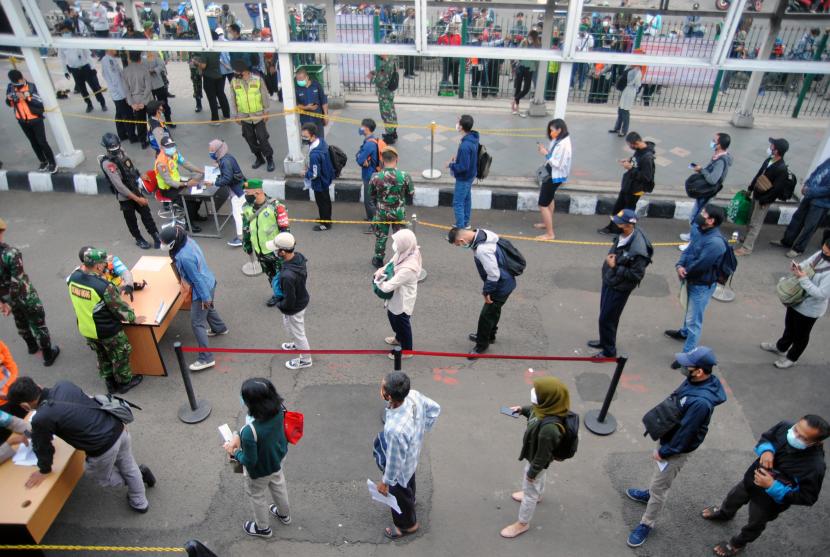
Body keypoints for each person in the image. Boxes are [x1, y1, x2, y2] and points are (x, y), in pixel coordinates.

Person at [625, 347, 727, 547]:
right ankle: (649, 494)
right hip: (669, 436)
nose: (683, 367)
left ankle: (647, 523)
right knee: (657, 481)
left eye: (686, 365)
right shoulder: (696, 380)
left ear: (698, 371)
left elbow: (686, 435)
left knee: (660, 487)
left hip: (674, 449)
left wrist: (664, 452)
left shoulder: (701, 403)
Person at [8, 377, 155, 512]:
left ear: (25, 405)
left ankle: (140, 478)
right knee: (128, 465)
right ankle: (139, 501)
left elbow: (43, 448)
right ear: (37, 385)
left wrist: (44, 470)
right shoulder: (63, 385)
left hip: (102, 447)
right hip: (118, 427)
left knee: (99, 476)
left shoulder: (41, 418)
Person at [702, 415, 827, 557]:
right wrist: (766, 450)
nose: (794, 436)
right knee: (733, 497)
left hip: (769, 502)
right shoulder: (785, 426)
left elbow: (808, 497)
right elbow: (767, 438)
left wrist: (772, 486)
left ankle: (738, 544)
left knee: (755, 523)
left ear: (816, 442)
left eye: (803, 437)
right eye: (796, 429)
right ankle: (724, 513)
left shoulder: (815, 467)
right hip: (750, 480)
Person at [500, 376, 569, 539]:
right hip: (535, 458)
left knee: (530, 490)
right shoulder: (548, 407)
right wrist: (521, 410)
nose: (535, 401)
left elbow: (542, 456)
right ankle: (537, 494)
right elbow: (533, 410)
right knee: (538, 481)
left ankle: (522, 523)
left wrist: (532, 473)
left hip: (536, 461)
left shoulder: (549, 430)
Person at [68, 248, 143, 393]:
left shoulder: (73, 278)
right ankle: (124, 383)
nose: (105, 265)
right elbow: (119, 309)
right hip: (107, 330)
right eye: (103, 263)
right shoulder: (103, 286)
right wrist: (134, 318)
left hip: (86, 328)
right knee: (120, 354)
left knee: (102, 355)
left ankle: (110, 383)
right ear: (97, 266)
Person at [223, 377, 291, 538]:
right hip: (277, 460)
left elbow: (249, 461)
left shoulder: (250, 431)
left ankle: (262, 528)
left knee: (257, 495)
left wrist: (234, 451)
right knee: (279, 486)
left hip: (259, 471)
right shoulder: (280, 410)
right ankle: (284, 514)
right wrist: (240, 435)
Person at [376, 372, 440, 539]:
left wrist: (385, 482)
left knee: (399, 491)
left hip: (402, 466)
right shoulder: (413, 395)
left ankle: (407, 526)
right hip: (413, 454)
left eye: (382, 386)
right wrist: (421, 428)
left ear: (388, 395)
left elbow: (394, 463)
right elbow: (434, 408)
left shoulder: (395, 430)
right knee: (409, 482)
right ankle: (410, 501)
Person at [160, 225, 227, 371]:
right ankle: (219, 328)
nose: (163, 245)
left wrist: (205, 298)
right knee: (207, 309)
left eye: (165, 243)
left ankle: (206, 358)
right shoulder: (187, 241)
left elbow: (196, 280)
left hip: (201, 289)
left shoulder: (184, 258)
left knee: (197, 323)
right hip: (209, 281)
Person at [665, 205, 728, 358]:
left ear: (711, 220)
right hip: (691, 280)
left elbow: (702, 264)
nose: (700, 215)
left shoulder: (715, 243)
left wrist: (685, 272)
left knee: (694, 321)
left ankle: (687, 355)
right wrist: (680, 265)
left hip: (701, 286)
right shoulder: (700, 231)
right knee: (689, 311)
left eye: (703, 213)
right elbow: (689, 250)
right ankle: (684, 332)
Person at [588, 209, 652, 358]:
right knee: (605, 314)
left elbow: (636, 275)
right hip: (611, 280)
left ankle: (609, 351)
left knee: (607, 318)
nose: (613, 225)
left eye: (617, 223)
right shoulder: (624, 235)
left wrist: (614, 267)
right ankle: (605, 341)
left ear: (627, 226)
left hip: (619, 287)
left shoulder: (638, 249)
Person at [448, 227, 517, 357]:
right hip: (507, 279)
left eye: (458, 245)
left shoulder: (482, 250)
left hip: (500, 285)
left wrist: (487, 292)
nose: (460, 246)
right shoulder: (482, 233)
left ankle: (481, 345)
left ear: (462, 240)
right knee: (494, 311)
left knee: (486, 315)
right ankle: (490, 336)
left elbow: (493, 274)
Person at [761, 238, 830, 369]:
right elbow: (807, 263)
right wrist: (798, 267)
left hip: (810, 309)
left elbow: (821, 294)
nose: (823, 254)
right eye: (823, 250)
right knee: (790, 326)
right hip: (797, 299)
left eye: (827, 253)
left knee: (801, 335)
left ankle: (792, 358)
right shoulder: (821, 254)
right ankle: (781, 347)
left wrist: (803, 278)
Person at [0, 218, 60, 366]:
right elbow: (17, 281)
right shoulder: (11, 253)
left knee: (20, 320)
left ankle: (32, 347)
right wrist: (9, 301)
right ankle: (48, 356)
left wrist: (4, 302)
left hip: (7, 298)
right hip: (24, 295)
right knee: (39, 323)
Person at [99, 133, 161, 249]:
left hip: (135, 188)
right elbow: (119, 186)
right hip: (125, 196)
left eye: (117, 146)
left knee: (146, 214)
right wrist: (138, 199)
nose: (116, 149)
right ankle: (138, 238)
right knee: (131, 219)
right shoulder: (108, 164)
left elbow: (130, 167)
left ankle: (155, 236)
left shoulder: (122, 152)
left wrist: (140, 174)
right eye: (112, 148)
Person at [736, 138, 791, 256]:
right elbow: (759, 174)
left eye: (772, 145)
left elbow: (776, 189)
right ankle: (746, 238)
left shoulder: (781, 169)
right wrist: (750, 188)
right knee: (750, 219)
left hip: (764, 200)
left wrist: (764, 201)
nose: (770, 146)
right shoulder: (769, 160)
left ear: (776, 151)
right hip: (757, 194)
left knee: (756, 223)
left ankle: (747, 248)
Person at [265, 232, 312, 370]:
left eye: (276, 249)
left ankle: (305, 359)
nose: (274, 251)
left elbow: (290, 300)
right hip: (301, 299)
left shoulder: (287, 276)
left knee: (298, 333)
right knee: (290, 326)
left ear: (283, 252)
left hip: (294, 307)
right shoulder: (298, 258)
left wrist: (280, 304)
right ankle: (297, 344)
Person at [678, 133, 732, 250]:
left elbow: (713, 180)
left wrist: (702, 170)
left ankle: (692, 243)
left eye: (714, 140)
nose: (712, 142)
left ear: (720, 144)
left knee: (697, 217)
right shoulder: (717, 156)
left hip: (707, 193)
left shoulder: (721, 161)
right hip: (705, 191)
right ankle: (691, 236)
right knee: (695, 215)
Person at [242, 179, 290, 306]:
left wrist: (284, 250)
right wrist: (246, 244)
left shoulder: (276, 207)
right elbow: (246, 226)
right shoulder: (247, 207)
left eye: (247, 192)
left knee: (282, 276)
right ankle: (278, 295)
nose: (245, 195)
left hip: (276, 251)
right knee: (271, 276)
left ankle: (288, 296)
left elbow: (285, 231)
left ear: (258, 191)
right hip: (260, 251)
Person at [374, 229, 421, 359]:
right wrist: (381, 270)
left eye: (397, 242)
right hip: (396, 295)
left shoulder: (408, 268)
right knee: (392, 316)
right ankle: (398, 338)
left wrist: (377, 282)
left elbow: (388, 286)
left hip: (403, 298)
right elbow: (391, 262)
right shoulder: (406, 251)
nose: (395, 244)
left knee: (401, 321)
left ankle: (407, 350)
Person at [771, 157, 830, 258]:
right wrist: (806, 184)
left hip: (821, 203)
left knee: (810, 227)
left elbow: (828, 189)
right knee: (797, 219)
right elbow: (816, 172)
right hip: (809, 196)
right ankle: (787, 241)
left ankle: (798, 249)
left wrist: (810, 191)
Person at [598, 132, 655, 235]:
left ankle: (626, 232)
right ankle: (613, 228)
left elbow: (646, 177)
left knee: (628, 212)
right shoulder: (639, 150)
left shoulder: (647, 158)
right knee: (618, 208)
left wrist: (630, 168)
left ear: (636, 142)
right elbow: (637, 162)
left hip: (635, 189)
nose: (630, 147)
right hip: (628, 185)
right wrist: (629, 160)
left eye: (630, 145)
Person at [369, 148, 414, 268]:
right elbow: (411, 194)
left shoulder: (376, 177)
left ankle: (378, 259)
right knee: (400, 237)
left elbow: (371, 195)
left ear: (382, 160)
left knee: (381, 236)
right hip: (398, 212)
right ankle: (401, 259)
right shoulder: (405, 176)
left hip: (382, 212)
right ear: (396, 159)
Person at [5, 70, 57, 173]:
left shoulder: (31, 87)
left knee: (42, 142)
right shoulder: (10, 87)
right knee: (33, 142)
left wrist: (26, 98)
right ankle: (43, 161)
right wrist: (9, 98)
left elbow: (39, 102)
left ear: (22, 77)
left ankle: (52, 163)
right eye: (15, 82)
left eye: (19, 81)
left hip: (35, 119)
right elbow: (10, 104)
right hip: (22, 120)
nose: (18, 83)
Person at [230, 59, 275, 172]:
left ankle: (269, 159)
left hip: (258, 115)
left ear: (243, 71)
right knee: (249, 138)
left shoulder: (258, 79)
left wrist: (266, 112)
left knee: (263, 138)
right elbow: (233, 99)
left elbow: (264, 96)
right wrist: (236, 115)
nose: (234, 73)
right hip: (244, 116)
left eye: (236, 71)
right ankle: (259, 158)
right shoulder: (234, 81)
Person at [534, 119, 572, 240]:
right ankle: (547, 222)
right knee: (549, 199)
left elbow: (558, 164)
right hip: (551, 173)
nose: (551, 133)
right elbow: (553, 156)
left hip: (554, 176)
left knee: (542, 204)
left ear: (559, 130)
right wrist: (546, 152)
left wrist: (545, 153)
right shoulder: (559, 140)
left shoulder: (564, 145)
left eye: (552, 130)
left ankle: (550, 233)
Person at [155, 136, 205, 226]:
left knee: (198, 192)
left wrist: (200, 170)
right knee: (188, 200)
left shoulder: (174, 154)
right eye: (168, 147)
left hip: (178, 182)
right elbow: (169, 181)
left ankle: (194, 215)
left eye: (172, 146)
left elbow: (185, 163)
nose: (171, 148)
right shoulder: (161, 163)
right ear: (162, 148)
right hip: (168, 189)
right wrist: (186, 184)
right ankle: (189, 224)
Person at [58, 23, 108, 113]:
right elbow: (62, 58)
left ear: (70, 31)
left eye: (66, 31)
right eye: (63, 32)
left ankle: (102, 103)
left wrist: (92, 67)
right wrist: (65, 71)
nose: (65, 33)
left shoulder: (78, 40)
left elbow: (88, 54)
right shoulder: (61, 44)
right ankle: (89, 104)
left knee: (95, 87)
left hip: (86, 68)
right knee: (82, 90)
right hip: (75, 70)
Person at [206, 139, 247, 247]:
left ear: (218, 150)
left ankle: (241, 238)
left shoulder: (225, 161)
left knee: (237, 214)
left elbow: (227, 179)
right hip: (240, 188)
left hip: (237, 192)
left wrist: (214, 182)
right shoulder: (228, 157)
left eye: (212, 151)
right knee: (242, 212)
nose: (210, 153)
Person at [448, 115, 480, 230]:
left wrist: (451, 165)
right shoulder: (473, 138)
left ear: (461, 127)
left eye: (458, 123)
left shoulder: (465, 146)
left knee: (458, 203)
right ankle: (465, 223)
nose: (457, 124)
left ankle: (460, 229)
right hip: (471, 175)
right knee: (466, 199)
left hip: (464, 178)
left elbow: (463, 167)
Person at [302, 123, 335, 231]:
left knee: (322, 203)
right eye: (303, 136)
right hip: (326, 178)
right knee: (325, 201)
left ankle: (325, 224)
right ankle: (324, 218)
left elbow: (315, 174)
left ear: (313, 136)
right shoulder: (321, 142)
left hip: (320, 183)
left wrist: (305, 174)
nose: (304, 138)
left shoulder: (315, 155)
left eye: (306, 136)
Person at [100, 50, 137, 143]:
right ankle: (132, 137)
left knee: (120, 114)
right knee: (128, 116)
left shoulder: (110, 59)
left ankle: (122, 134)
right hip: (120, 94)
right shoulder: (109, 61)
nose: (116, 50)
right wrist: (125, 96)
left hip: (117, 93)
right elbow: (116, 80)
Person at [122, 50, 153, 150]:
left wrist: (132, 104)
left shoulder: (125, 71)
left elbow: (126, 90)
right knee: (152, 120)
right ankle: (155, 139)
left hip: (135, 100)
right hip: (147, 99)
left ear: (130, 58)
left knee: (140, 122)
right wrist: (144, 102)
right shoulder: (144, 69)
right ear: (140, 57)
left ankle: (143, 141)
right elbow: (149, 87)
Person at [356, 118, 382, 228]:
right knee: (373, 199)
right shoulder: (372, 140)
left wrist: (359, 157)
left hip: (369, 175)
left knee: (369, 200)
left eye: (361, 127)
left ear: (366, 128)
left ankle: (374, 224)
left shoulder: (369, 144)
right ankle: (372, 217)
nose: (360, 129)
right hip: (375, 173)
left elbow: (360, 159)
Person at [369, 54, 398, 145]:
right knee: (391, 111)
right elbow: (383, 73)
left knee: (386, 113)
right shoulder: (391, 60)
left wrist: (372, 77)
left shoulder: (387, 64)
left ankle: (389, 136)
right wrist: (375, 73)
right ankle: (393, 132)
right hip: (389, 92)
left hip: (384, 93)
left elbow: (381, 81)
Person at [199, 45, 231, 125]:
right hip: (218, 75)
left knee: (212, 98)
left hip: (209, 77)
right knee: (221, 94)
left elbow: (203, 66)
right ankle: (226, 115)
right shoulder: (217, 49)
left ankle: (215, 119)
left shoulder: (205, 52)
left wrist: (197, 63)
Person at [609, 63, 642, 137]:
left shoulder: (637, 72)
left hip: (630, 91)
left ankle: (624, 131)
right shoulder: (630, 68)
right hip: (625, 90)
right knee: (620, 109)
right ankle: (617, 128)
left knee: (625, 111)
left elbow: (638, 84)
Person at [512, 30, 540, 116]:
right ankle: (516, 108)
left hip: (530, 68)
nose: (530, 38)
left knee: (526, 88)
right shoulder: (524, 42)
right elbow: (518, 53)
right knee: (518, 87)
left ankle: (514, 100)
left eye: (532, 37)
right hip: (521, 66)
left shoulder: (537, 44)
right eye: (529, 36)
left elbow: (537, 56)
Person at [295, 68, 328, 140]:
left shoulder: (316, 85)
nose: (299, 81)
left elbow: (323, 100)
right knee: (309, 141)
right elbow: (296, 104)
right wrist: (306, 107)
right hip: (306, 121)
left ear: (307, 77)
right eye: (298, 79)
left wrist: (325, 115)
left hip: (318, 119)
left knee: (320, 140)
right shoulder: (296, 89)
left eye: (301, 79)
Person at [145, 51, 174, 128]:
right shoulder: (141, 54)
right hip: (147, 85)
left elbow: (161, 64)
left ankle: (168, 121)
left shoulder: (154, 52)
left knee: (164, 104)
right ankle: (153, 125)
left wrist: (154, 70)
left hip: (158, 83)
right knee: (150, 106)